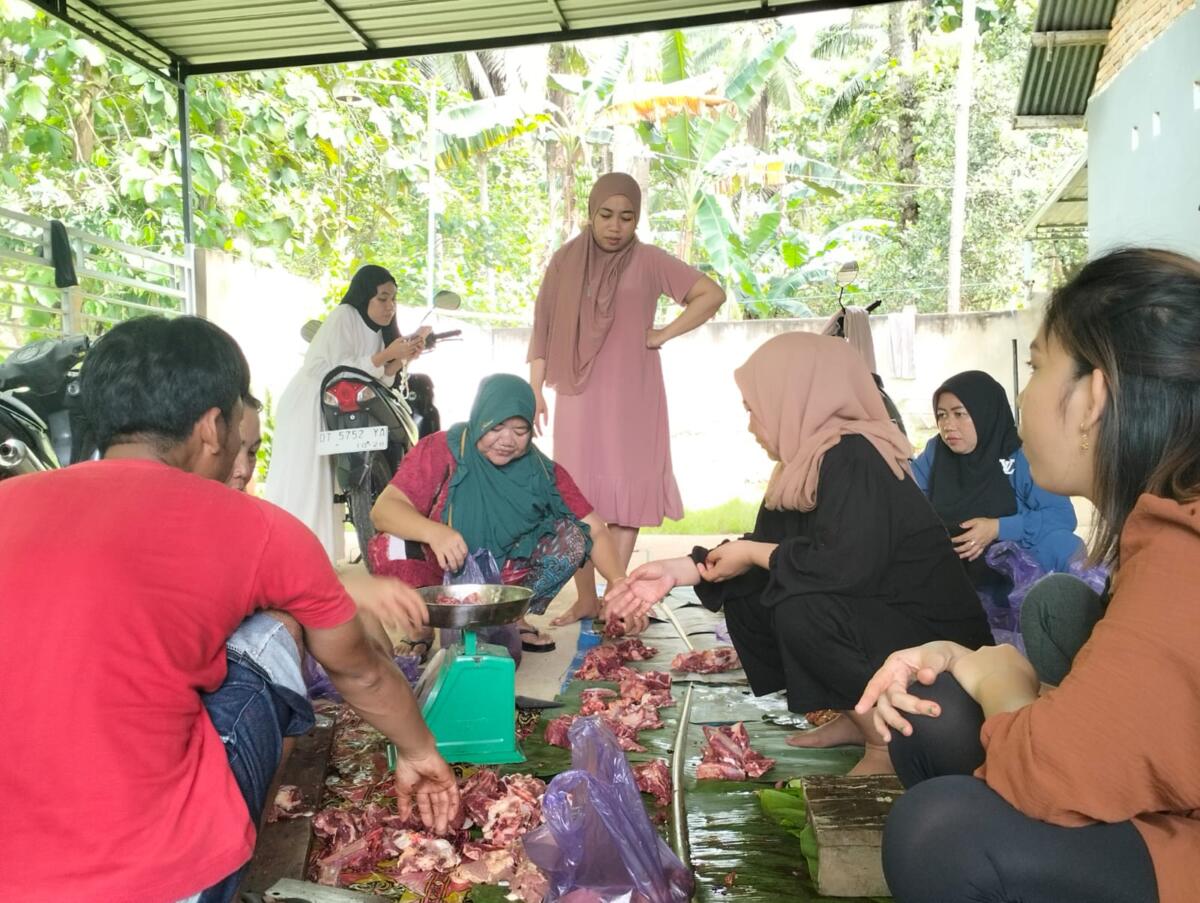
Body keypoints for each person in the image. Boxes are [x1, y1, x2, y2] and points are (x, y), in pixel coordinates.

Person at [0, 316, 458, 902]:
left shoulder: (11, 499)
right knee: (274, 626)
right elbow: (361, 671)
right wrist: (419, 751)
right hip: (167, 879)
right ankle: (240, 837)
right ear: (212, 427)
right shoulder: (258, 528)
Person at [857, 248, 1200, 903]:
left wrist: (1000, 680)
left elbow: (1052, 769)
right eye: (943, 414)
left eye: (1038, 366)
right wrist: (959, 656)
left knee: (940, 833)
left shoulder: (1181, 550)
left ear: (1093, 398)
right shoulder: (1157, 517)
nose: (1024, 395)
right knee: (933, 704)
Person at [604, 332, 992, 774]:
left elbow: (842, 565)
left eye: (754, 409)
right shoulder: (806, 463)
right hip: (879, 615)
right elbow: (766, 548)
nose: (752, 426)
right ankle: (856, 717)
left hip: (933, 638)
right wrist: (680, 570)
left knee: (801, 606)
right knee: (756, 595)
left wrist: (751, 552)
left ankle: (883, 744)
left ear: (792, 400)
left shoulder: (856, 455)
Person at [528, 172, 725, 626]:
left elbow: (710, 294)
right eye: (606, 215)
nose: (615, 226)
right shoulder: (564, 261)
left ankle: (615, 599)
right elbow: (543, 328)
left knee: (627, 493)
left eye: (627, 217)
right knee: (577, 498)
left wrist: (662, 334)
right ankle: (586, 599)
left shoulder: (650, 260)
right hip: (578, 395)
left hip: (634, 394)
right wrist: (534, 389)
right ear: (591, 213)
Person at [368, 373, 628, 652]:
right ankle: (420, 626)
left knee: (573, 537)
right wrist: (435, 533)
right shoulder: (443, 449)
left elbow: (595, 529)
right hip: (440, 565)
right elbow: (384, 509)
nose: (507, 440)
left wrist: (618, 582)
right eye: (496, 427)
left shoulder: (543, 472)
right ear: (480, 417)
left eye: (520, 431)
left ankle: (513, 617)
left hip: (503, 581)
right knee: (389, 545)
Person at [266, 265, 428, 559]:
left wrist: (401, 358)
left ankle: (318, 557)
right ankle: (287, 554)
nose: (390, 306)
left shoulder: (379, 332)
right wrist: (387, 354)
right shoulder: (345, 316)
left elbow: (378, 379)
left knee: (326, 488)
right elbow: (336, 369)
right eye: (382, 298)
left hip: (336, 407)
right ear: (365, 296)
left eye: (393, 299)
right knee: (305, 482)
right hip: (310, 403)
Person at [912, 370, 1083, 597]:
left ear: (985, 413)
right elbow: (907, 496)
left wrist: (997, 528)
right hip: (953, 565)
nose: (948, 425)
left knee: (1062, 545)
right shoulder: (937, 453)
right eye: (941, 415)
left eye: (959, 414)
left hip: (1016, 564)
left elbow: (1062, 516)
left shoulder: (1021, 455)